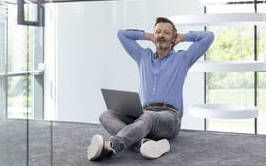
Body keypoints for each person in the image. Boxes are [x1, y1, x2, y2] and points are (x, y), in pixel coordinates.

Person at [87, 17, 214, 161]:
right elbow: (121, 34)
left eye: (166, 32)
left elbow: (208, 37)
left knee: (148, 117)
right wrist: (148, 36)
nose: (161, 35)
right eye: (158, 32)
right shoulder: (143, 56)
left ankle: (110, 146)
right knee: (106, 115)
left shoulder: (183, 58)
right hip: (143, 116)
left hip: (169, 118)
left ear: (173, 38)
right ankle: (143, 144)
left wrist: (183, 37)